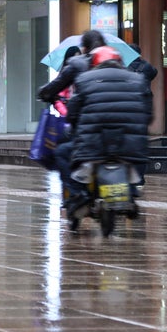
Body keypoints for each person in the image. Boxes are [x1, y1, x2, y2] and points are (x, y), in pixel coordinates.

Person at [64, 45, 152, 220]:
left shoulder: (85, 79)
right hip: (129, 146)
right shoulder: (137, 80)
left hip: (95, 145)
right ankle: (132, 193)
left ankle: (79, 195)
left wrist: (73, 124)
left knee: (65, 155)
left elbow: (73, 111)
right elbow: (148, 113)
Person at [37, 31, 107, 211]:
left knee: (62, 152)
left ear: (85, 49)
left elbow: (56, 92)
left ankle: (76, 192)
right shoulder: (118, 65)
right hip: (119, 131)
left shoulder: (79, 67)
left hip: (86, 128)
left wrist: (50, 98)